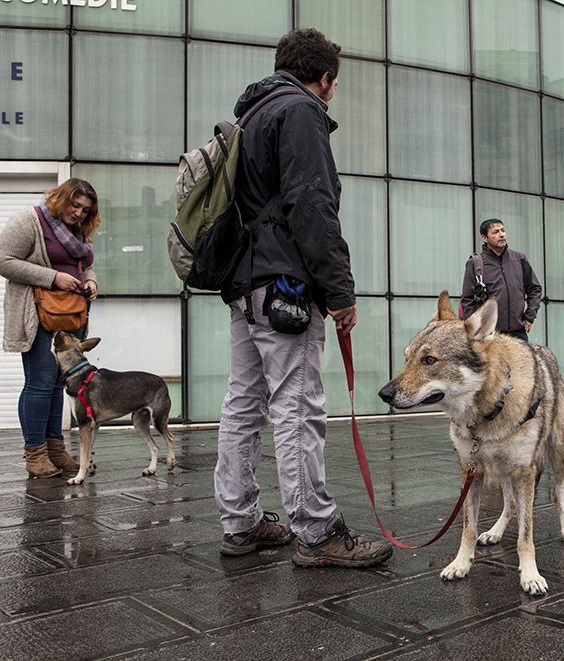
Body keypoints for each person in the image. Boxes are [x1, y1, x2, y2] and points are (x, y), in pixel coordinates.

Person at [213, 28, 392, 568]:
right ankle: (317, 531)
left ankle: (240, 522)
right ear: (326, 79)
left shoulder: (251, 115)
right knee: (296, 405)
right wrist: (340, 291)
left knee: (243, 404)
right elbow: (312, 207)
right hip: (285, 289)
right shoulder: (302, 110)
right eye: (334, 83)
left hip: (246, 285)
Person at [0, 178, 100, 477]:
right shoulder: (30, 220)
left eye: (85, 209)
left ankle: (56, 450)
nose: (79, 213)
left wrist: (91, 280)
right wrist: (53, 277)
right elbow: (2, 261)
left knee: (58, 384)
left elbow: (86, 263)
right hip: (37, 313)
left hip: (70, 315)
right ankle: (35, 454)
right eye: (74, 205)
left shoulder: (80, 231)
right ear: (60, 198)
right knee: (39, 382)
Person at [460, 219, 542, 342]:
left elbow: (535, 289)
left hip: (518, 332)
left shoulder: (519, 259)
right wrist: (475, 329)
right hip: (490, 335)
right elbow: (467, 300)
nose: (502, 234)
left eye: (503, 230)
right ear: (485, 238)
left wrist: (530, 316)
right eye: (495, 232)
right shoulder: (476, 263)